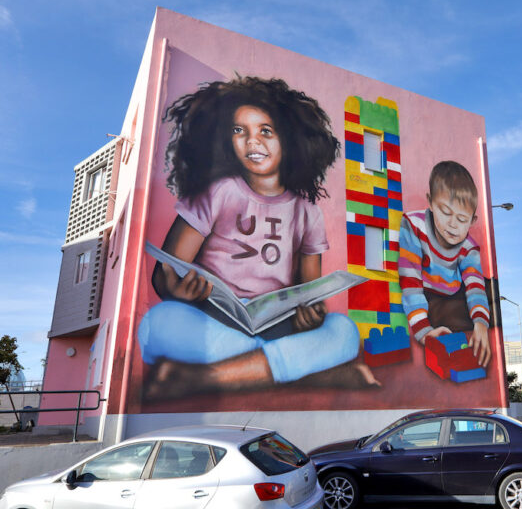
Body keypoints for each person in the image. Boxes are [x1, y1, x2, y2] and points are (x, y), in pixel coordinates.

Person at [138, 76, 377, 398]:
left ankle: (202, 378)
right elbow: (165, 274)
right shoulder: (218, 192)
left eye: (266, 131)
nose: (252, 141)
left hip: (277, 325)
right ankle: (304, 372)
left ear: (290, 140)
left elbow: (310, 294)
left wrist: (311, 315)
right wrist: (177, 290)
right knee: (158, 323)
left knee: (344, 332)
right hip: (212, 319)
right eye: (240, 131)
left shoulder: (307, 212)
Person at [397, 161, 491, 367]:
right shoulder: (413, 225)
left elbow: (475, 286)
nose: (453, 224)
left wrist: (481, 324)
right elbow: (410, 280)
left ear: (472, 221)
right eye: (446, 213)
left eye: (462, 219)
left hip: (453, 292)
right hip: (427, 293)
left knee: (489, 289)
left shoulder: (468, 246)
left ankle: (477, 320)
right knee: (436, 309)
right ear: (430, 203)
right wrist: (424, 333)